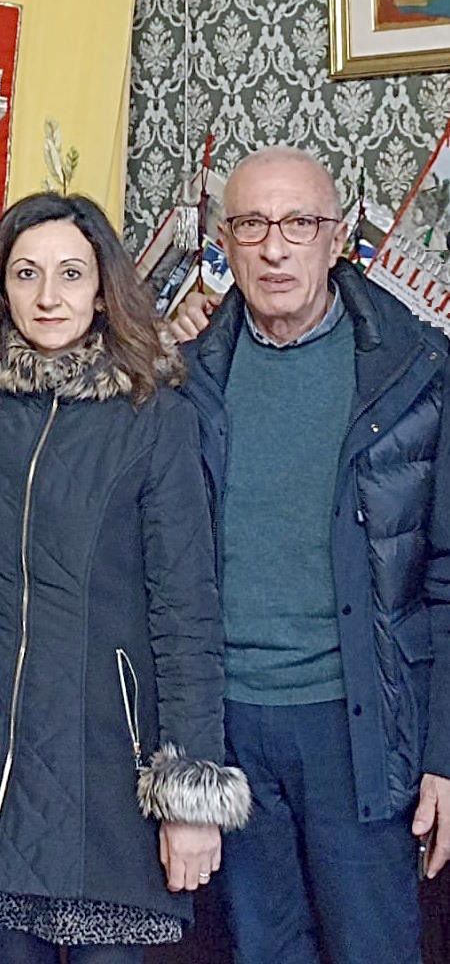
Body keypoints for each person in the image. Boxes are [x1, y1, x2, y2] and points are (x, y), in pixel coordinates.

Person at [0, 192, 249, 964]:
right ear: (0, 290)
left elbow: (186, 611)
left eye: (71, 274)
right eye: (26, 274)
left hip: (112, 770)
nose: (49, 296)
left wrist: (191, 796)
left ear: (104, 290)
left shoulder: (155, 418)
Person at [169, 146, 450, 964]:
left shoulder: (416, 371)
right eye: (252, 225)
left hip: (362, 723)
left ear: (337, 240)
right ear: (225, 243)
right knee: (260, 950)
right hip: (229, 726)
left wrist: (444, 754)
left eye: (299, 223)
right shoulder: (183, 377)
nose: (275, 248)